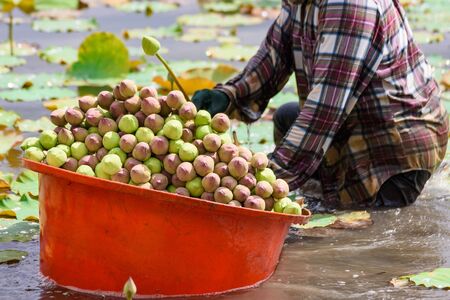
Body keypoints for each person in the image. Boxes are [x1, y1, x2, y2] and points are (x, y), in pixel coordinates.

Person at [192, 0, 448, 211]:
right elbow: (271, 58)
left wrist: (256, 181)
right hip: (352, 122)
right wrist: (230, 95)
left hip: (392, 148)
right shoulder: (300, 2)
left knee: (343, 231)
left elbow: (324, 111)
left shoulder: (350, 6)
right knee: (286, 117)